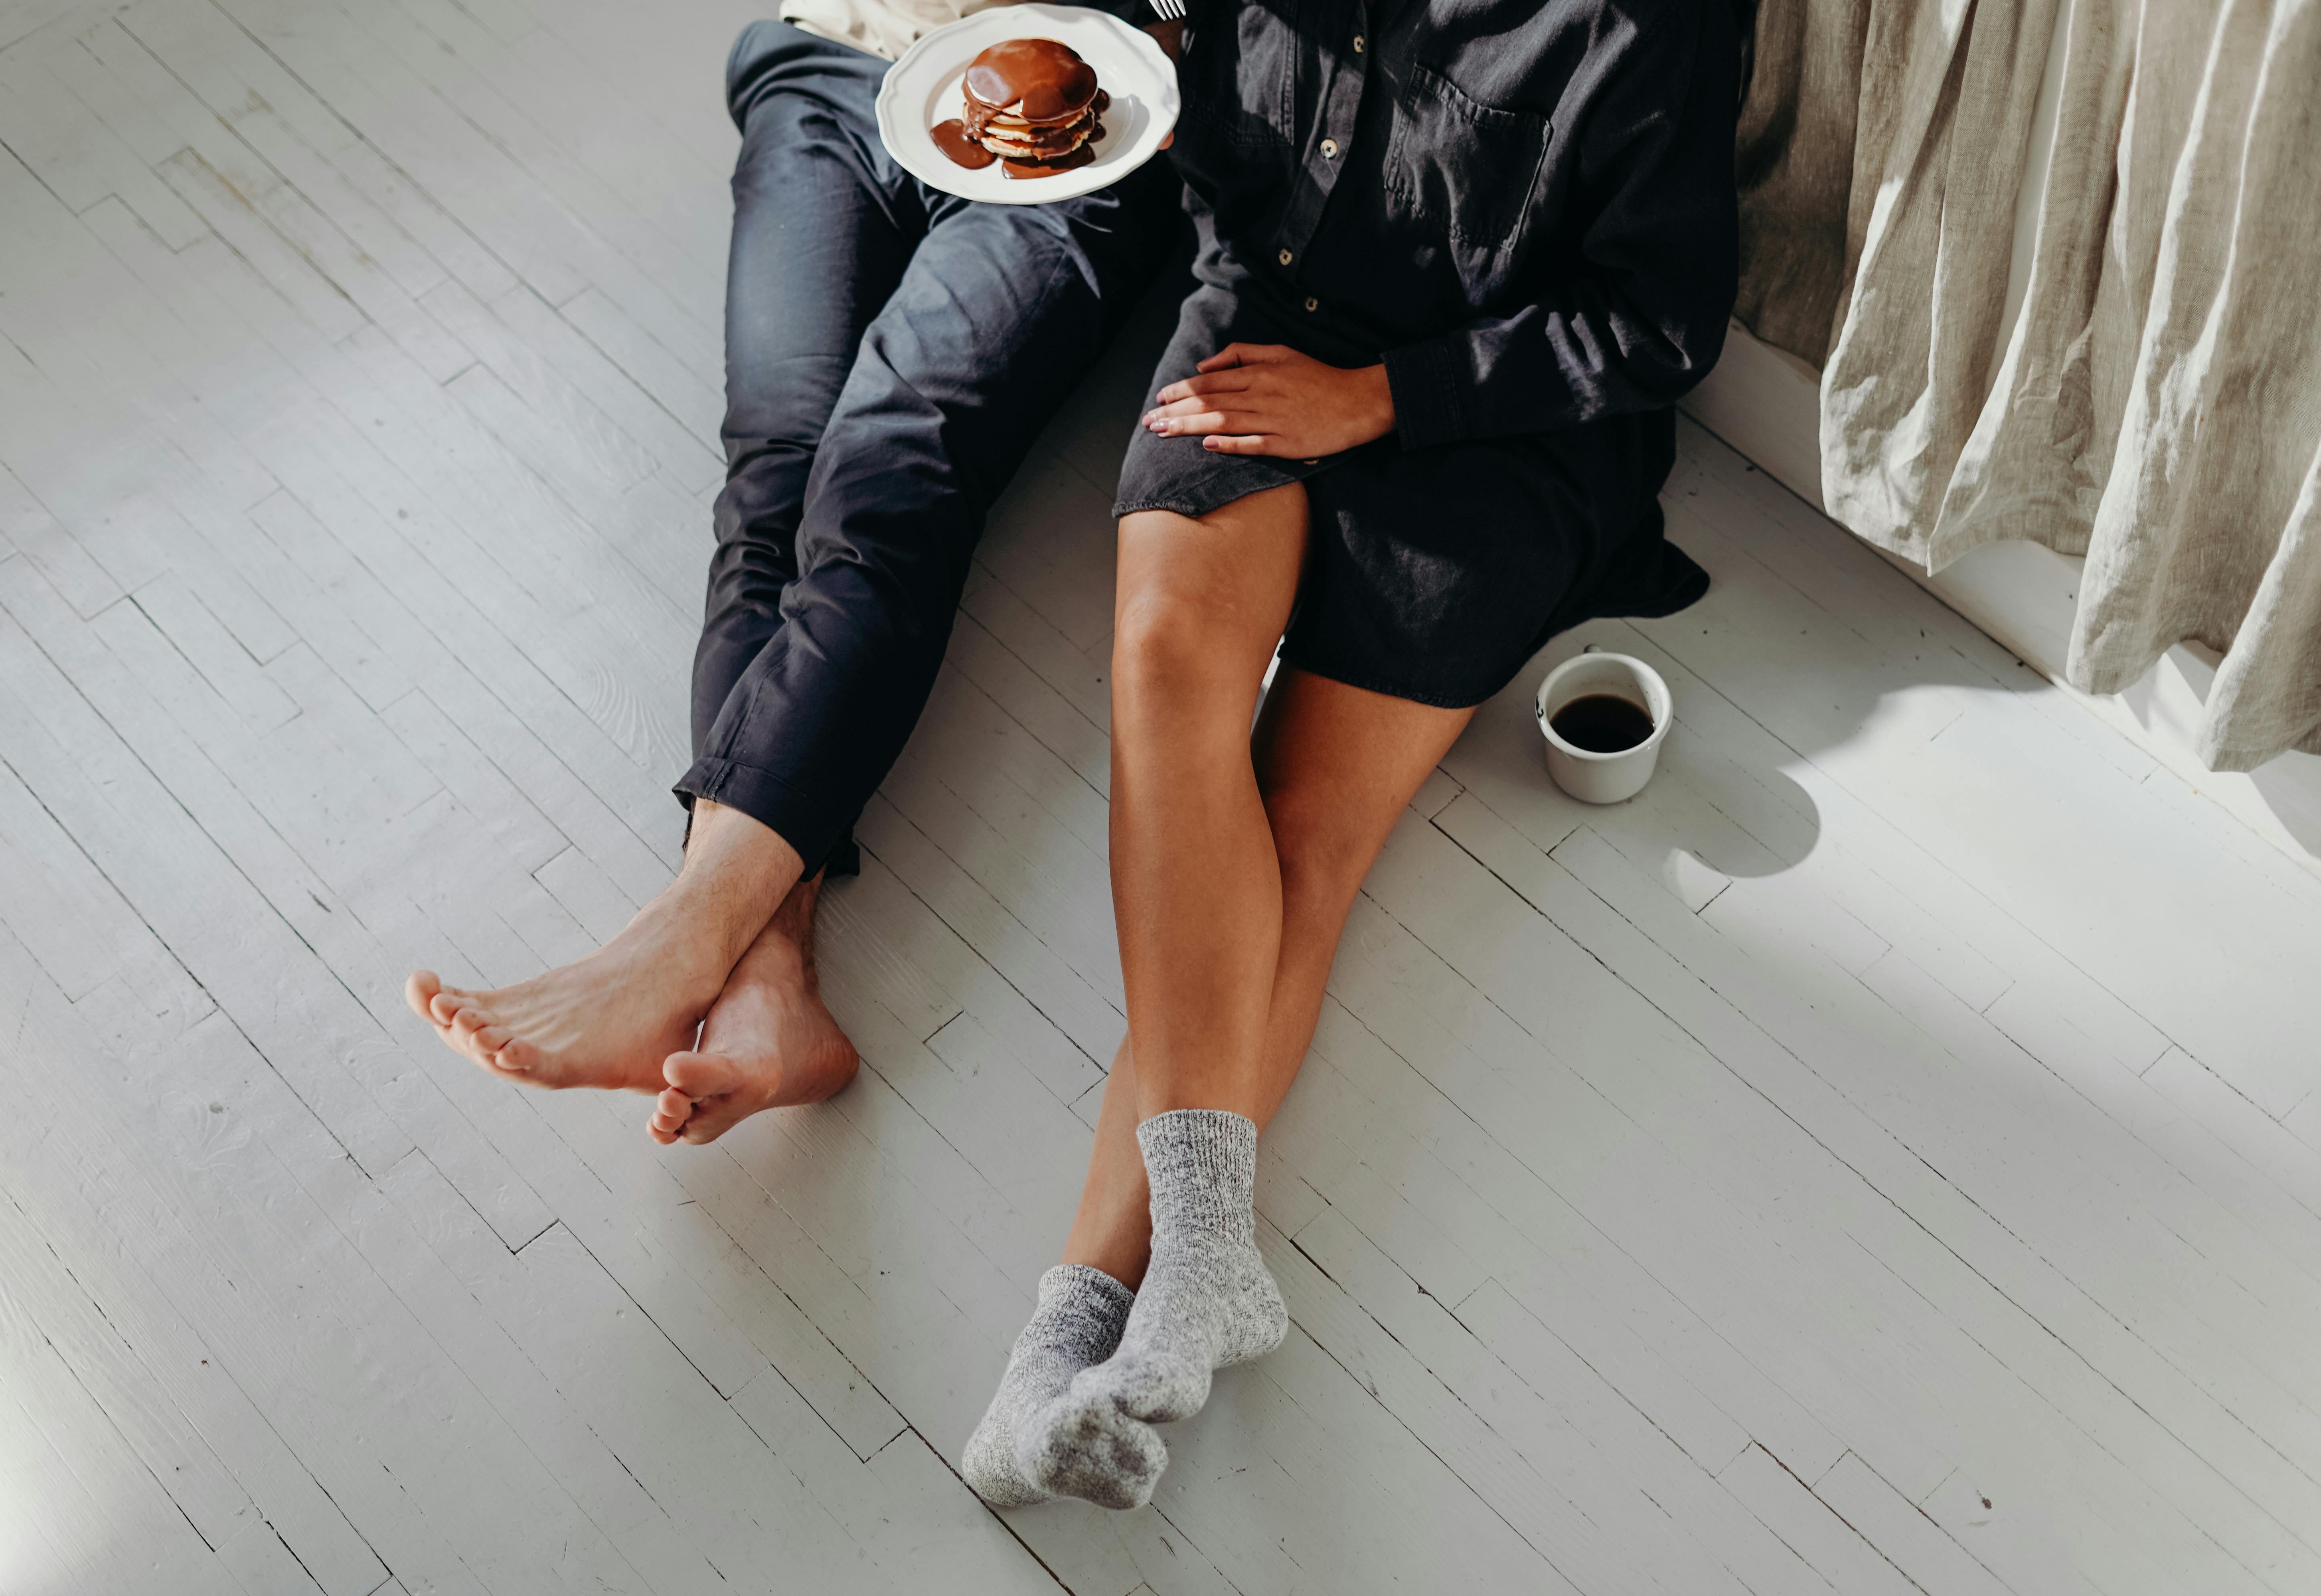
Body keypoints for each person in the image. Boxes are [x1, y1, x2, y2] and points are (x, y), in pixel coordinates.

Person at [961, 0, 1742, 1509]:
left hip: (1496, 421)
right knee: (1163, 673)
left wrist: (1381, 401)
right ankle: (1175, 1277)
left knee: (1300, 828)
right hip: (1269, 318)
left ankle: (1068, 1337)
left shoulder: (1652, 23)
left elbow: (1657, 325)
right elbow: (1223, 130)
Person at [403, 0, 1184, 1141]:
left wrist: (1165, 28)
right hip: (843, 57)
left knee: (890, 465)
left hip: (1099, 114)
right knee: (774, 473)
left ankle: (676, 944)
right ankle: (768, 989)